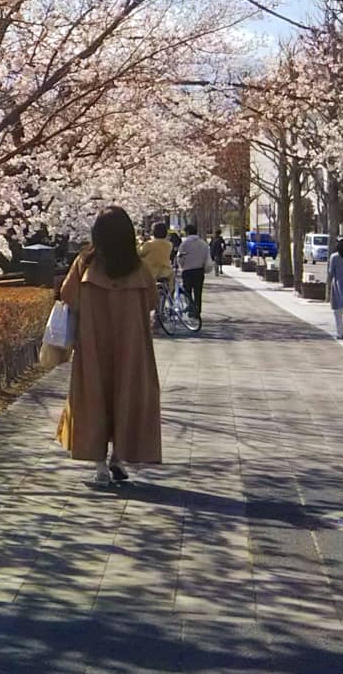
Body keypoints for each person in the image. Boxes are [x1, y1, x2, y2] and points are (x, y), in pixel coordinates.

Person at [57, 206, 161, 488]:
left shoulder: (85, 263)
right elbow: (152, 301)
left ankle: (99, 464)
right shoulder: (139, 268)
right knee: (128, 396)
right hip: (131, 345)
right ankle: (119, 456)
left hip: (94, 343)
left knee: (94, 397)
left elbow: (68, 296)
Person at [176, 223, 212, 316]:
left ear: (187, 232)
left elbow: (180, 258)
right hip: (199, 270)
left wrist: (181, 266)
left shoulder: (184, 244)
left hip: (187, 271)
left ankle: (190, 308)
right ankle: (197, 311)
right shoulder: (203, 243)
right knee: (198, 292)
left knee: (187, 292)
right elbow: (207, 257)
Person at [139, 221, 174, 287]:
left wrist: (141, 243)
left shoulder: (149, 244)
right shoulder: (169, 244)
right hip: (165, 272)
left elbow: (140, 253)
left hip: (151, 272)